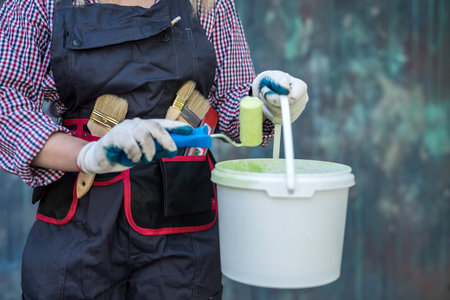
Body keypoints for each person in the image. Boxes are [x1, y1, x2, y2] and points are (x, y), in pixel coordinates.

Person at [0, 0, 308, 299]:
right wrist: (85, 154)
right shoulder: (36, 3)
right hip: (77, 226)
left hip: (182, 232)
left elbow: (230, 106)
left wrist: (264, 103)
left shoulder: (207, 3)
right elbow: (6, 104)